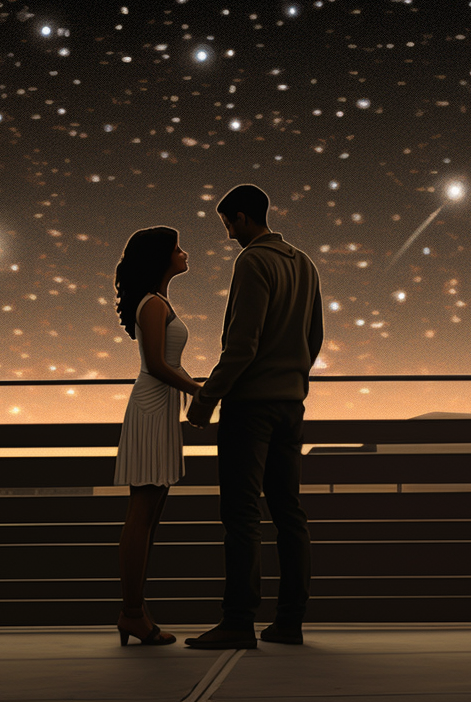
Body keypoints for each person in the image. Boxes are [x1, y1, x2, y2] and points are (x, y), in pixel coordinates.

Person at [184, 185, 323, 650]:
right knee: (289, 512)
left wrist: (205, 401)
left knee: (241, 514)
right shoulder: (304, 264)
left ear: (242, 218)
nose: (227, 235)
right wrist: (294, 377)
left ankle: (238, 622)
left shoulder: (252, 261)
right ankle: (290, 621)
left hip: (251, 406)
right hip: (291, 403)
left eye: (227, 224)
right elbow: (315, 336)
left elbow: (241, 345)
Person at [112, 226, 202, 646]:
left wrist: (195, 387)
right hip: (151, 408)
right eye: (177, 248)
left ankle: (137, 610)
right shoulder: (152, 304)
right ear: (161, 257)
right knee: (142, 513)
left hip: (161, 408)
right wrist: (203, 391)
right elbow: (156, 366)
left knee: (151, 514)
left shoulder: (159, 302)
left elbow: (168, 365)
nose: (184, 253)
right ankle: (131, 612)